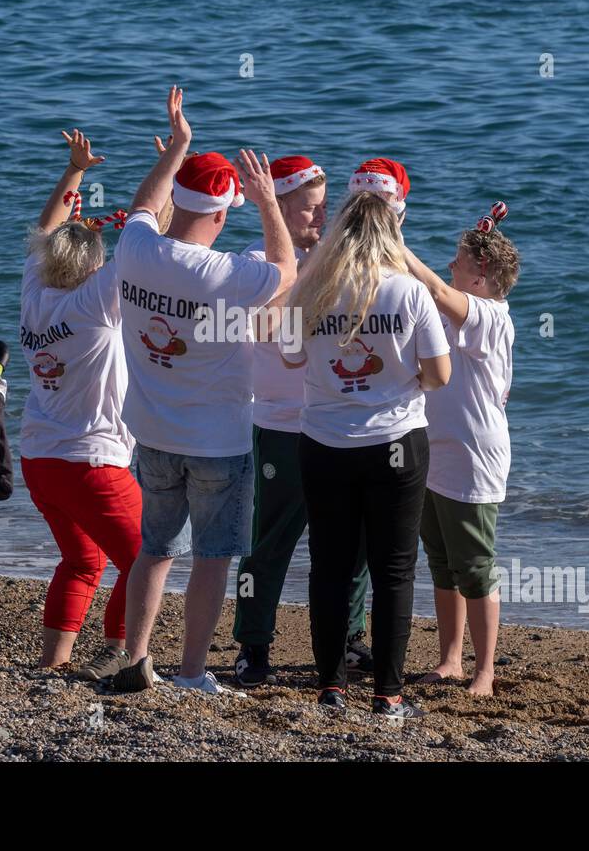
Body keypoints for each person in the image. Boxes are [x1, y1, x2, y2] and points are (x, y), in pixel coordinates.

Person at [111, 87, 297, 693]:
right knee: (212, 560)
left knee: (154, 550)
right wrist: (270, 202)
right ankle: (191, 671)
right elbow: (286, 269)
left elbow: (143, 203)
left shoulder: (135, 249)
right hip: (218, 441)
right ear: (222, 215)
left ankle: (135, 659)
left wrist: (179, 149)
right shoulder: (227, 274)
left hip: (153, 432)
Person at [282, 189, 451, 719]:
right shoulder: (409, 291)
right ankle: (388, 694)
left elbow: (290, 358)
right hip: (395, 443)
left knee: (329, 568)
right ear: (391, 238)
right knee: (394, 570)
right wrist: (402, 379)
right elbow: (439, 375)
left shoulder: (311, 289)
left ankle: (330, 688)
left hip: (325, 442)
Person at [232, 155, 374, 688]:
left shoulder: (340, 258)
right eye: (310, 209)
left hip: (341, 424)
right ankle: (253, 643)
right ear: (282, 205)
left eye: (324, 208)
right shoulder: (255, 262)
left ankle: (350, 635)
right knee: (269, 542)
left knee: (353, 542)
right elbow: (270, 333)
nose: (321, 219)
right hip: (283, 424)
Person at [19, 128, 141, 682]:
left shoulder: (35, 292)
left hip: (39, 460)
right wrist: (171, 166)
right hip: (93, 464)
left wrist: (74, 172)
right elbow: (141, 240)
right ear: (95, 267)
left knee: (83, 561)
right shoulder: (97, 299)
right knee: (144, 561)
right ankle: (116, 652)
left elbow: (45, 230)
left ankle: (54, 663)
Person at [403, 207, 519, 696]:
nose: (451, 265)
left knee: (474, 566)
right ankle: (450, 658)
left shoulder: (491, 317)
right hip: (435, 450)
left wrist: (394, 242)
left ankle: (485, 669)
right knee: (441, 561)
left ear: (482, 273)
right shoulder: (458, 311)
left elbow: (433, 288)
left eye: (458, 260)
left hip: (474, 454)